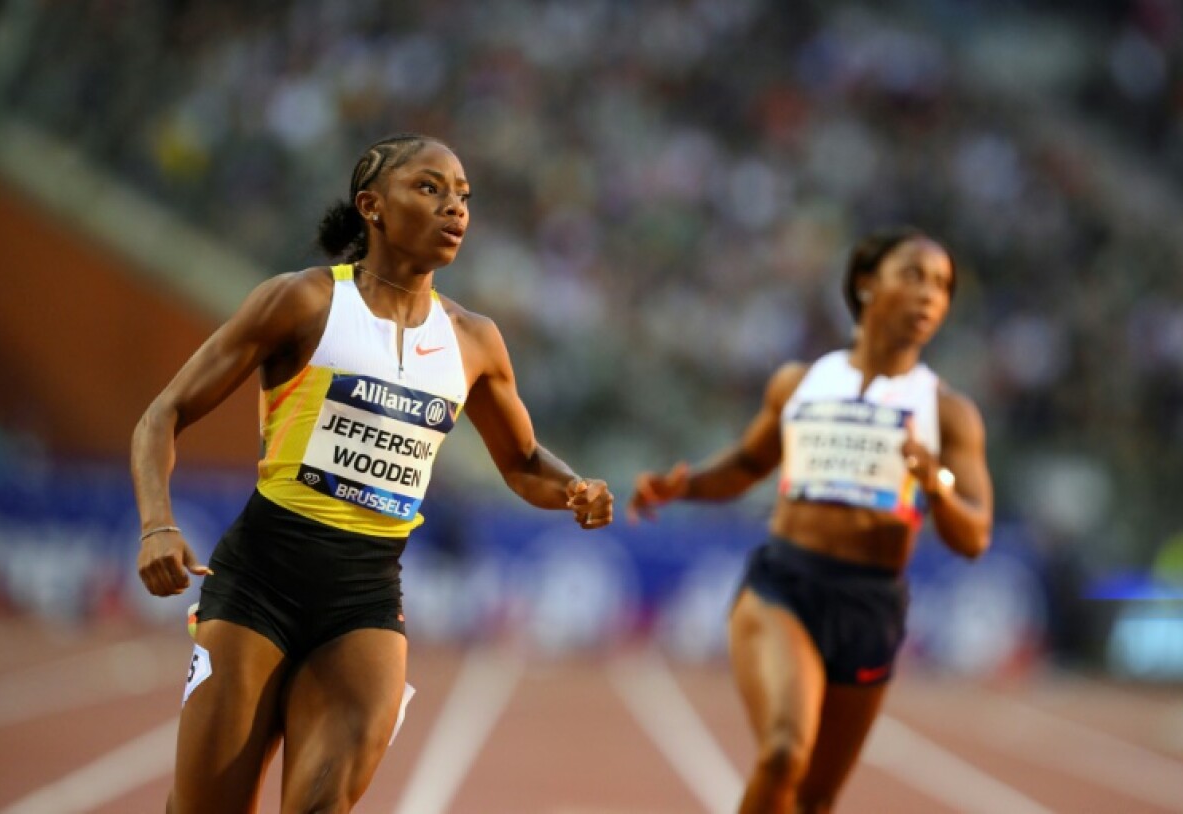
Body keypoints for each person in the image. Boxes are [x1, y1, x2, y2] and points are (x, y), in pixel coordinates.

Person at [131, 132, 614, 814]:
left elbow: (523, 461)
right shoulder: (301, 303)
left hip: (365, 602)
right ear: (373, 206)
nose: (456, 208)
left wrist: (571, 489)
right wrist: (157, 524)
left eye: (465, 196)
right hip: (256, 588)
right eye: (431, 188)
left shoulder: (473, 341)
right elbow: (163, 414)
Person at [628, 227, 992, 814]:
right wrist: (685, 486)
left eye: (943, 285)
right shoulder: (801, 382)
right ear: (867, 284)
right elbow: (748, 464)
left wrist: (937, 486)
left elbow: (974, 535)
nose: (930, 295)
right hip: (786, 586)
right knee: (783, 753)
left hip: (871, 606)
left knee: (816, 799)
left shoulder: (948, 413)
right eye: (914, 276)